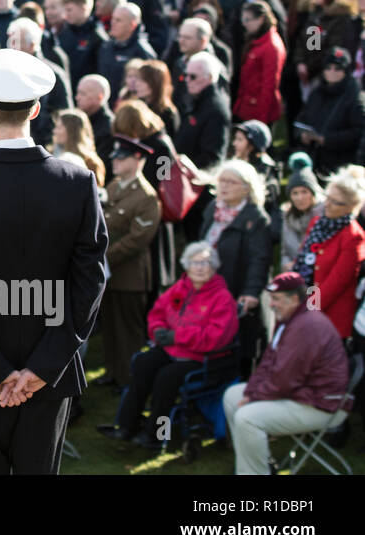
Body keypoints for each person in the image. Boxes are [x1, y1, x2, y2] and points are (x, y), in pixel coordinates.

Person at [0, 48, 109, 474]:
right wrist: (43, 367)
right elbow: (91, 284)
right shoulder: (78, 183)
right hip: (48, 373)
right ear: (37, 110)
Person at [99, 242, 239, 450]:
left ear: (214, 267)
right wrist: (158, 331)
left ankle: (156, 435)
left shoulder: (222, 298)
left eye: (205, 263)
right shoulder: (179, 288)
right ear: (186, 266)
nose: (199, 267)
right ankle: (127, 425)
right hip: (171, 348)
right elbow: (157, 314)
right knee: (143, 365)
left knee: (166, 378)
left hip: (199, 357)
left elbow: (215, 337)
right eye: (194, 263)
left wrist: (177, 336)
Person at [222, 272, 353, 475]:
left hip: (321, 405)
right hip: (301, 394)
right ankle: (255, 465)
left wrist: (254, 397)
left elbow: (285, 378)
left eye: (276, 299)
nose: (271, 304)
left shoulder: (306, 326)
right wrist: (251, 391)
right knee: (232, 396)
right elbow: (268, 362)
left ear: (294, 299)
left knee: (247, 417)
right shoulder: (291, 318)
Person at [197, 159, 273, 369]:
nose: (224, 186)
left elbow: (260, 260)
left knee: (237, 353)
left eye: (231, 182)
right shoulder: (213, 208)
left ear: (247, 188)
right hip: (208, 289)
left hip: (236, 291)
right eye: (222, 181)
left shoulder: (256, 218)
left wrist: (250, 292)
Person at [99, 136, 161, 391]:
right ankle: (113, 371)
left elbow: (138, 239)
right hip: (109, 272)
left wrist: (103, 255)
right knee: (111, 326)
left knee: (129, 330)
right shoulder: (115, 186)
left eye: (121, 158)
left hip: (129, 272)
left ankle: (131, 378)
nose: (115, 163)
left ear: (137, 161)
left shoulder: (146, 196)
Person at [286, 165, 365, 341]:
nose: (327, 204)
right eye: (327, 198)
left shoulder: (353, 236)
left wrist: (307, 309)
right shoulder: (317, 223)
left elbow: (335, 284)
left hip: (329, 320)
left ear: (350, 207)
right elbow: (304, 261)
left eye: (335, 202)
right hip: (304, 306)